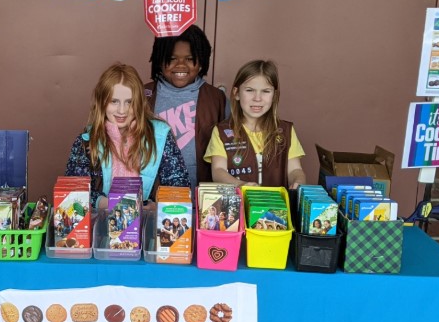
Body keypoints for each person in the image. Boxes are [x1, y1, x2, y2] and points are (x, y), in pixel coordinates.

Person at [65, 62, 190, 210]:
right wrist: (106, 204)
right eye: (114, 101)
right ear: (101, 102)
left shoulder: (160, 135)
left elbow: (179, 184)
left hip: (148, 225)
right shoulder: (87, 141)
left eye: (129, 102)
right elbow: (75, 192)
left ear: (139, 103)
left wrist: (156, 207)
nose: (122, 110)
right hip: (102, 225)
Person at [145, 25, 227, 190]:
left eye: (189, 59)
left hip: (200, 194)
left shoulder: (216, 98)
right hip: (151, 194)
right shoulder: (143, 95)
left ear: (202, 62)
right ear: (159, 60)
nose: (180, 65)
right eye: (172, 58)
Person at [204, 59, 306, 189]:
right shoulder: (222, 131)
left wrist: (298, 181)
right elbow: (218, 171)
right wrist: (242, 185)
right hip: (238, 206)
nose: (257, 98)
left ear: (274, 95)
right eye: (250, 90)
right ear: (236, 93)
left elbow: (294, 170)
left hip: (277, 207)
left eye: (266, 91)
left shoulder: (285, 131)